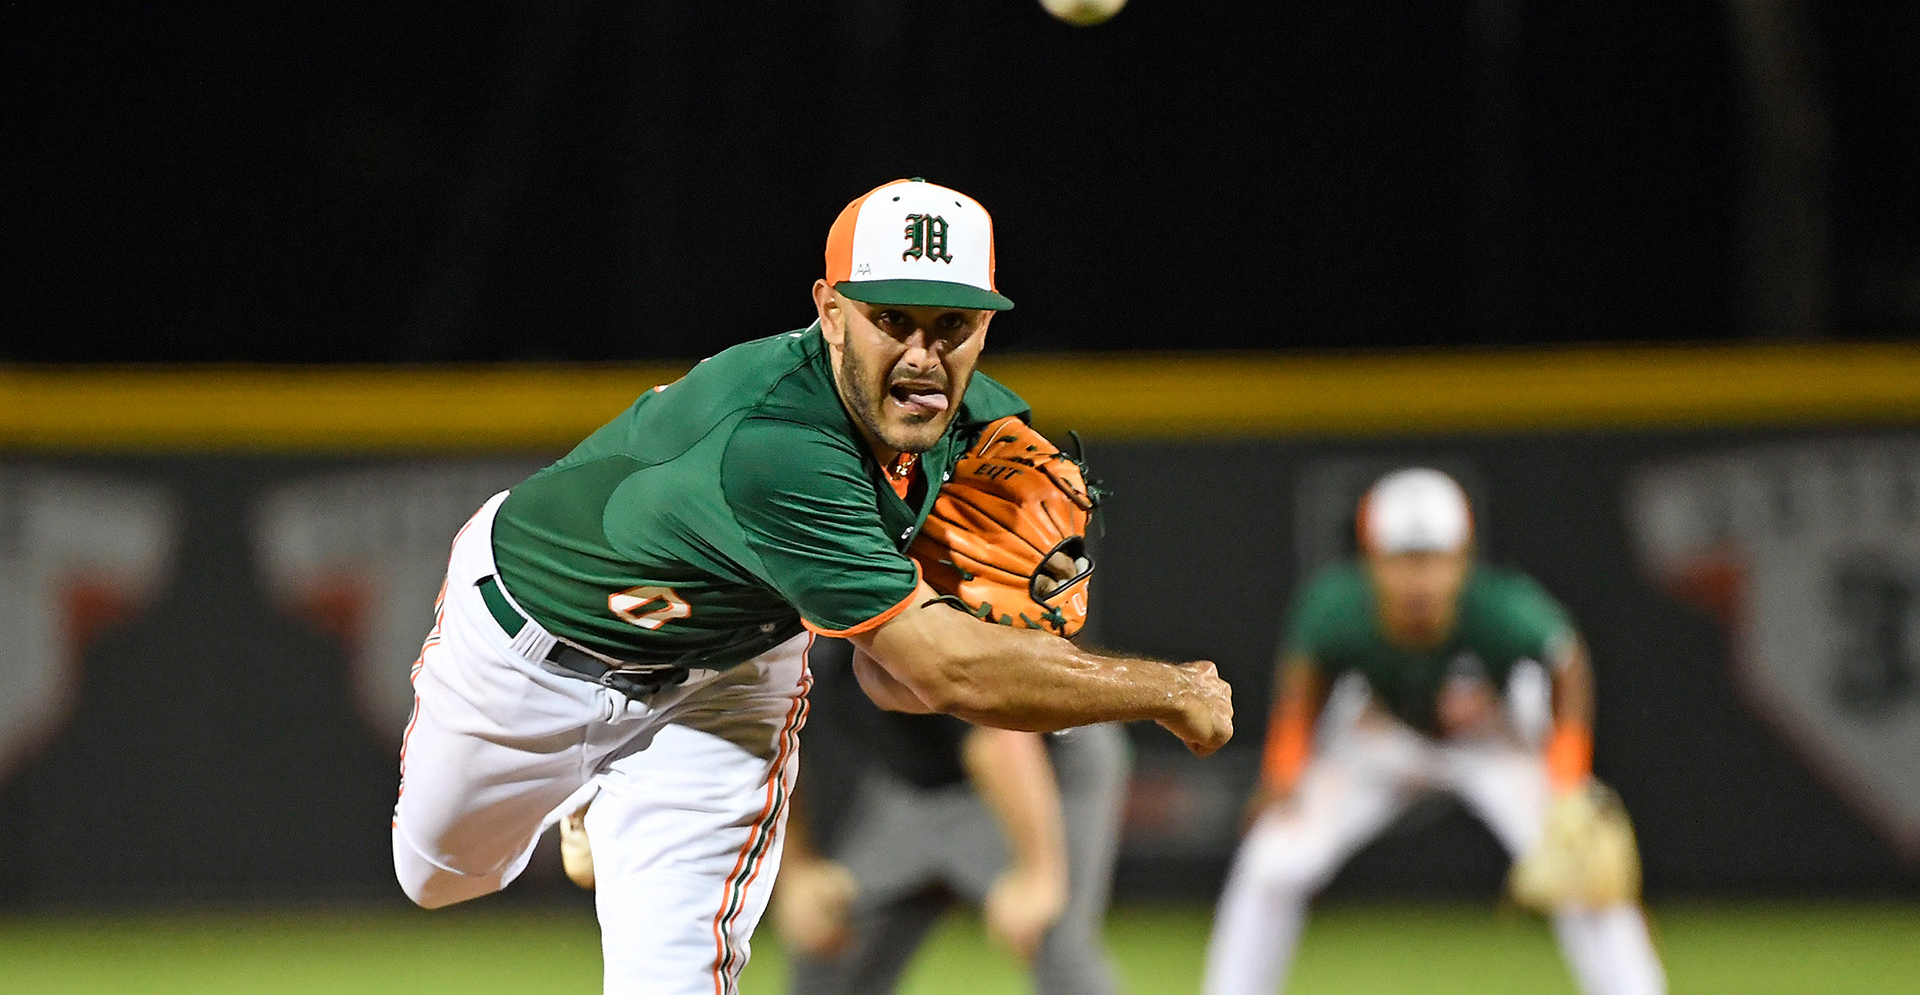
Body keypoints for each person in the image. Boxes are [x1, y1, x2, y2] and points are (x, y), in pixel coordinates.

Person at [389, 178, 1233, 995]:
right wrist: (1167, 689)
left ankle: (628, 797)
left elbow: (891, 677)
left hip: (727, 678)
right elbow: (950, 670)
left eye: (954, 324)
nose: (923, 354)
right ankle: (588, 793)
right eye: (890, 319)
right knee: (437, 878)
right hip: (530, 642)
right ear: (830, 312)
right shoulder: (780, 444)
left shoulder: (981, 429)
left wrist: (1018, 607)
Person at [1201, 468, 1665, 995]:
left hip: (1492, 740)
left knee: (1579, 859)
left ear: (1463, 558)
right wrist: (1284, 772)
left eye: (1435, 559)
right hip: (1383, 736)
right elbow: (1306, 683)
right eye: (1403, 559)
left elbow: (1568, 664)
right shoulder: (1337, 606)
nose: (1420, 579)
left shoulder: (1501, 606)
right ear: (1371, 559)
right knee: (1273, 857)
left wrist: (1566, 779)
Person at [771, 636, 1130, 995]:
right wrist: (798, 871)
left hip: (1043, 768)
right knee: (828, 928)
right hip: (915, 788)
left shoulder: (903, 620)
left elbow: (997, 740)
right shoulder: (802, 642)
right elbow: (779, 752)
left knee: (1052, 938)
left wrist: (1036, 875)